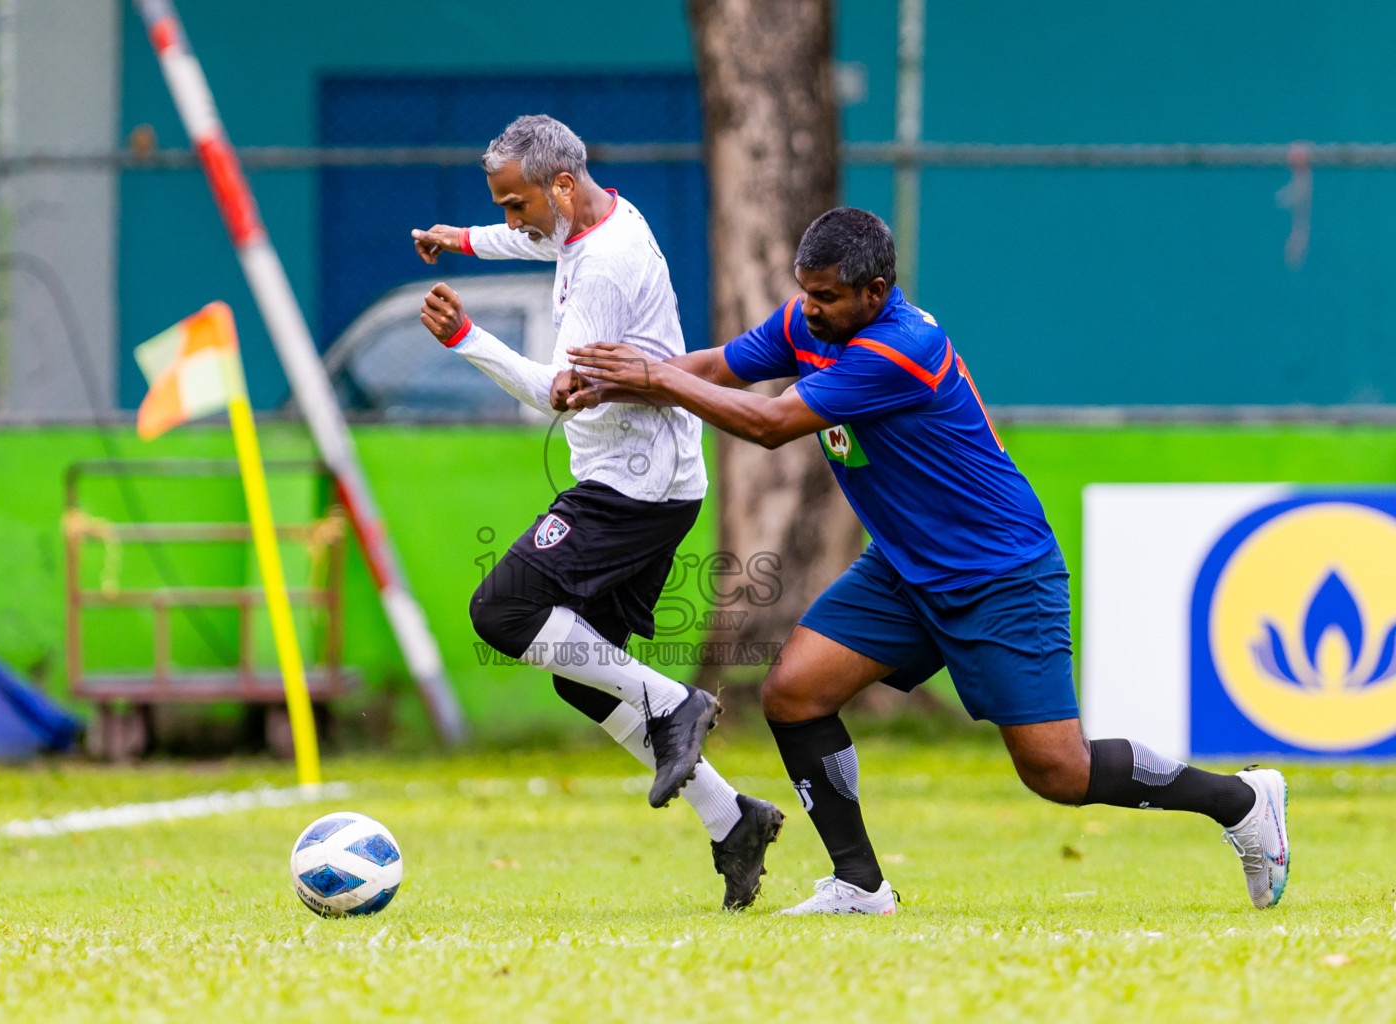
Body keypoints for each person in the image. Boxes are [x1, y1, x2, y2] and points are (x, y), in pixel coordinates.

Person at [564, 207, 1289, 916]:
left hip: (999, 572)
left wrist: (653, 382)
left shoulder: (898, 350)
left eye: (826, 296)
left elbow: (770, 423)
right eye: (804, 290)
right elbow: (720, 366)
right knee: (794, 693)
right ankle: (859, 885)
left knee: (1057, 771)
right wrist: (610, 381)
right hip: (905, 568)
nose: (808, 309)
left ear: (874, 292)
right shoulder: (811, 322)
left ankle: (1243, 800)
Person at [410, 114, 783, 910]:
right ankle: (733, 822)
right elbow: (531, 240)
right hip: (656, 483)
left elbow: (560, 393)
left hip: (631, 489)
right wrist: (465, 238)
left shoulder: (607, 264)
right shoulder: (594, 214)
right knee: (586, 679)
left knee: (503, 610)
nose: (514, 219)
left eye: (516, 203)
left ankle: (679, 703)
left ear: (562, 186)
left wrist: (464, 337)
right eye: (504, 206)